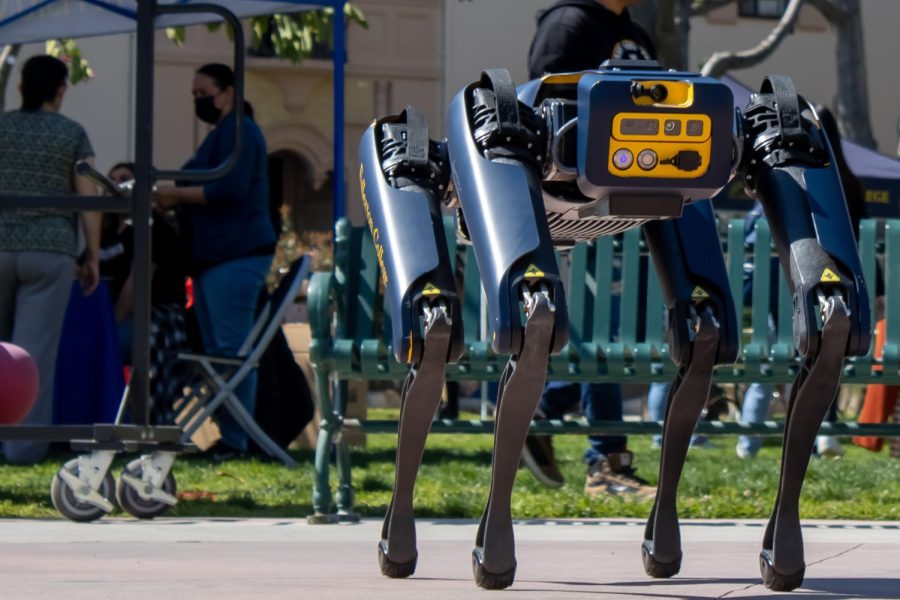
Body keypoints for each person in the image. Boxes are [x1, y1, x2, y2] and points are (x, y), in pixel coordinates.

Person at [521, 0, 656, 497]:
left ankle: (542, 409)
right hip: (580, 209)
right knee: (605, 331)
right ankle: (608, 463)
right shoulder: (567, 24)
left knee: (613, 332)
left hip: (635, 202)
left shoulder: (636, 32)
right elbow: (547, 109)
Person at [153, 63, 275, 459]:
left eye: (202, 92)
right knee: (219, 354)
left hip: (235, 256)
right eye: (194, 94)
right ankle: (229, 437)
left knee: (229, 353)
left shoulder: (241, 132)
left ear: (227, 92)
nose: (197, 100)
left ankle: (237, 441)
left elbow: (228, 189)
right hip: (215, 258)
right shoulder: (224, 134)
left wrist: (174, 195)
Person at [0, 55, 100, 464]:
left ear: (21, 87)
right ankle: (23, 448)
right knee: (33, 355)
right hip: (50, 250)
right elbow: (87, 197)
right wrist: (92, 253)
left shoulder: (2, 126)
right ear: (60, 90)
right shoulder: (72, 133)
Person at [100, 162, 190, 425]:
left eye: (125, 179)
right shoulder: (106, 234)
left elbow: (137, 285)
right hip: (116, 317)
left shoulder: (151, 227)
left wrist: (109, 323)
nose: (117, 185)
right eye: (112, 179)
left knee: (103, 344)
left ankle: (115, 421)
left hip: (155, 320)